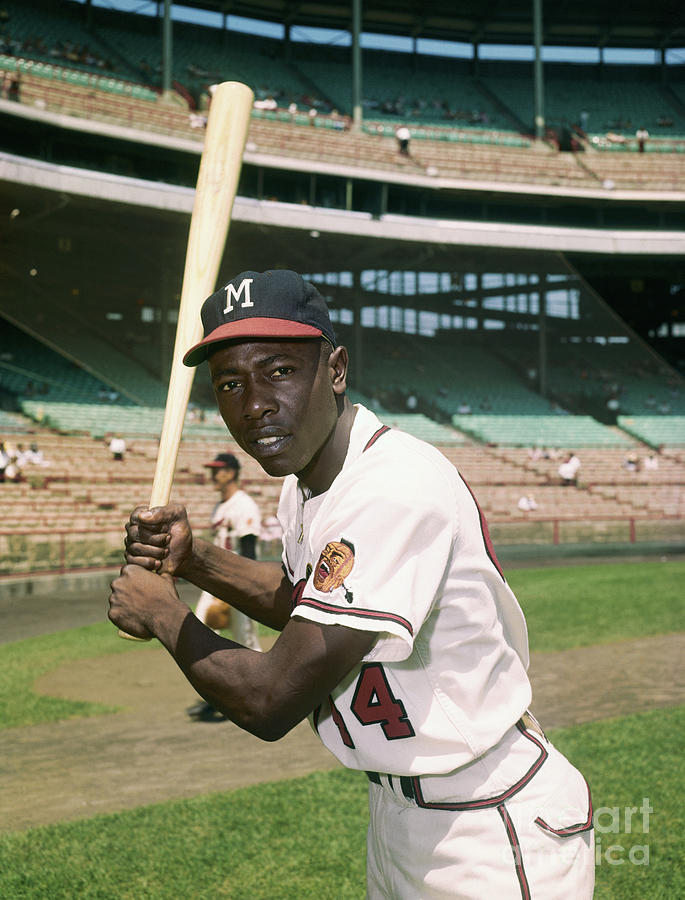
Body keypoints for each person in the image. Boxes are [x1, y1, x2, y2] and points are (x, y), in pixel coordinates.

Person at [109, 269, 594, 899]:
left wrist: (161, 613)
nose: (254, 404)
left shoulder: (391, 487)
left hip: (486, 816)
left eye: (279, 370)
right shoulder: (307, 481)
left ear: (335, 369)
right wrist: (196, 558)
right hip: (401, 813)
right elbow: (302, 605)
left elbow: (272, 697)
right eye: (230, 383)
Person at [187, 451, 262, 720]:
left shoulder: (245, 505)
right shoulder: (219, 507)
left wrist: (241, 590)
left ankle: (261, 696)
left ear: (231, 472)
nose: (213, 476)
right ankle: (217, 697)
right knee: (200, 634)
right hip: (215, 581)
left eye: (217, 470)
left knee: (246, 641)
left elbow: (249, 550)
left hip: (239, 581)